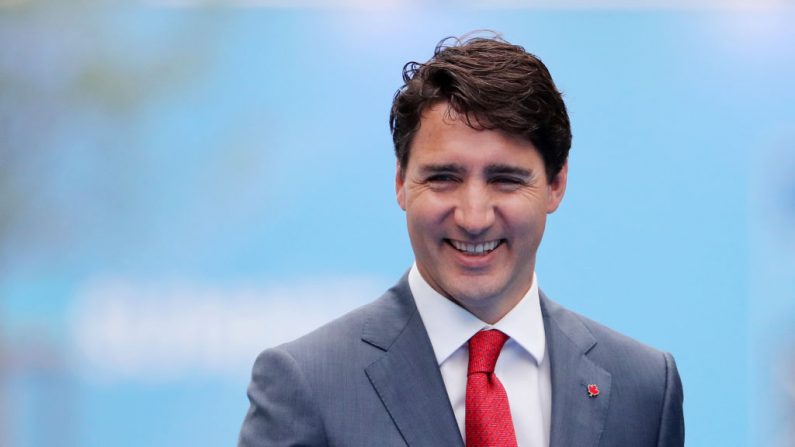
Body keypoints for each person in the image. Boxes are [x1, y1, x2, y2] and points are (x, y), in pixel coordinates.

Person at [239, 33, 684, 447]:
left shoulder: (643, 388)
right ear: (400, 182)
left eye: (506, 180)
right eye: (444, 178)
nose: (473, 217)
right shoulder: (307, 384)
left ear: (556, 184)